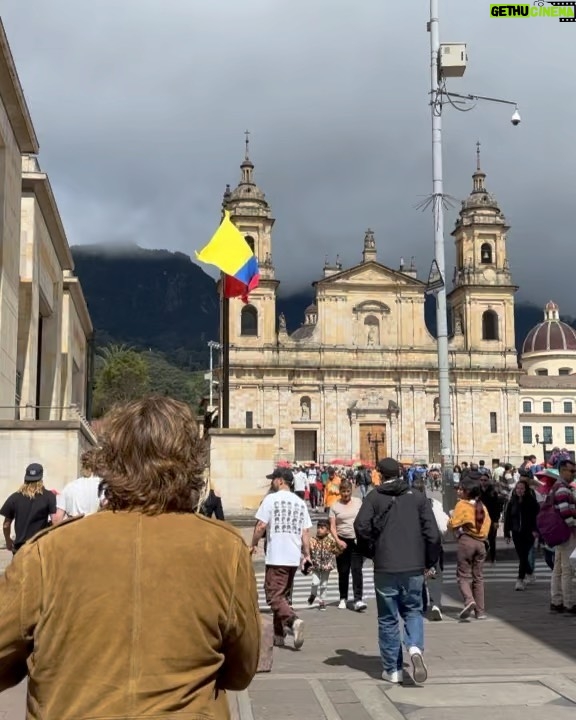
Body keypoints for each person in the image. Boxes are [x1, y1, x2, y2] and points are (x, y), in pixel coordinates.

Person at [0, 396, 260, 718]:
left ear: (110, 461)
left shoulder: (47, 552)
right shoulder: (224, 548)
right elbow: (242, 670)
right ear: (191, 463)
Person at [354, 458, 440, 686]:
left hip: (386, 566)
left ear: (379, 475)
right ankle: (414, 648)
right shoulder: (418, 498)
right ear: (401, 472)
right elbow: (432, 534)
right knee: (413, 610)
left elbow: (360, 527)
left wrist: (372, 551)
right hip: (413, 566)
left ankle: (393, 670)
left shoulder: (373, 497)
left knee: (388, 618)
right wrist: (429, 560)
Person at [251, 468, 311, 649]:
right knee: (282, 595)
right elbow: (305, 532)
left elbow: (261, 525)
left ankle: (293, 622)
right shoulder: (300, 502)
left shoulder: (271, 499)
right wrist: (306, 554)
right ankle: (278, 635)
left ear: (280, 481)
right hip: (293, 556)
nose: (271, 483)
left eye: (273, 479)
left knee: (273, 595)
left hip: (277, 555)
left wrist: (253, 543)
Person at [448, 476, 491, 620]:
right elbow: (487, 524)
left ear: (466, 492)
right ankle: (480, 611)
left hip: (467, 542)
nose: (458, 491)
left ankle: (469, 600)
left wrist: (451, 517)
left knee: (463, 576)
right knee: (478, 577)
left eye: (460, 489)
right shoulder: (481, 506)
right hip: (481, 544)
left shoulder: (462, 505)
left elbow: (453, 524)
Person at [1, 463, 58, 554]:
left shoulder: (14, 497)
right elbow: (55, 521)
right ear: (41, 478)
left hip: (20, 549)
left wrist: (8, 540)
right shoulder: (49, 496)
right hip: (39, 548)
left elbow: (6, 525)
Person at [329, 479, 366, 611]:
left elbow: (364, 519)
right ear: (340, 492)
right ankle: (343, 598)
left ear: (351, 490)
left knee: (357, 570)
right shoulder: (335, 506)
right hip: (342, 541)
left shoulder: (358, 502)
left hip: (356, 541)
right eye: (343, 491)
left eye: (348, 491)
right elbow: (332, 527)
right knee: (343, 571)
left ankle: (358, 599)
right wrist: (338, 541)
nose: (346, 494)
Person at [548, 459, 576, 613]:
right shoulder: (563, 489)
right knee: (567, 570)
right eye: (571, 471)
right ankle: (568, 603)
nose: (573, 474)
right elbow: (565, 512)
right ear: (563, 471)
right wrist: (574, 524)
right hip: (566, 532)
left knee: (558, 568)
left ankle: (556, 601)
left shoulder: (557, 487)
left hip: (559, 532)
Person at [504, 478, 539, 590]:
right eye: (517, 488)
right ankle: (529, 572)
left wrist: (535, 530)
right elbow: (508, 518)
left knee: (524, 556)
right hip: (516, 532)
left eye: (522, 488)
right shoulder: (512, 502)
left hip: (529, 532)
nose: (519, 490)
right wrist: (506, 533)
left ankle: (520, 580)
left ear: (526, 490)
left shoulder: (531, 501)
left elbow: (536, 517)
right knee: (522, 556)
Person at [53, 449, 102, 522]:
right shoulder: (104, 489)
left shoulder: (70, 487)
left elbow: (57, 519)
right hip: (97, 527)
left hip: (73, 528)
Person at [307, 518, 341, 610]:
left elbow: (337, 551)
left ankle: (322, 601)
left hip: (327, 566)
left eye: (322, 528)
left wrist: (339, 547)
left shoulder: (331, 541)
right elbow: (308, 551)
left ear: (328, 530)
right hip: (315, 566)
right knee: (315, 582)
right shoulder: (313, 540)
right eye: (318, 527)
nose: (319, 530)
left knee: (324, 584)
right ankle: (313, 594)